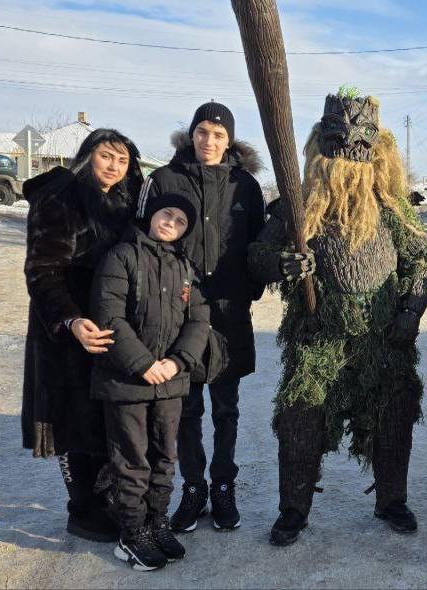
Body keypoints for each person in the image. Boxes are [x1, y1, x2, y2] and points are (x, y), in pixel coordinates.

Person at [248, 88, 427, 546]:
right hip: (318, 338)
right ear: (322, 143)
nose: (351, 153)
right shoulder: (299, 208)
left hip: (384, 339)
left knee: (394, 415)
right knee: (300, 418)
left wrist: (410, 314)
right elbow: (257, 252)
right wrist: (281, 264)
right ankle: (293, 509)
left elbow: (423, 260)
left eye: (362, 142)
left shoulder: (393, 208)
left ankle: (392, 499)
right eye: (340, 140)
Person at [138, 101, 265, 533]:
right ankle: (193, 489)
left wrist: (250, 288)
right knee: (186, 411)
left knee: (226, 409)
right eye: (203, 132)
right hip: (175, 316)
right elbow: (143, 237)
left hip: (229, 315)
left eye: (219, 134)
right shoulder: (163, 179)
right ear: (191, 134)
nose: (209, 141)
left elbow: (257, 247)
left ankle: (223, 487)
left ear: (230, 141)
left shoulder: (245, 185)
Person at [22, 129, 144, 542]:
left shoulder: (126, 203)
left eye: (122, 160)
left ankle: (107, 500)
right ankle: (83, 510)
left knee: (106, 417)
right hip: (68, 328)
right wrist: (70, 321)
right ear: (87, 155)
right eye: (106, 156)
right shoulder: (61, 197)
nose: (113, 165)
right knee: (72, 420)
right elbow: (42, 271)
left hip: (109, 324)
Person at [89, 194, 210, 571]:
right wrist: (142, 363)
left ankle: (157, 521)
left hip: (170, 383)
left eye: (180, 221)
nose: (171, 223)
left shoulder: (184, 267)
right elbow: (109, 316)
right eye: (166, 215)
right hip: (127, 382)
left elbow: (198, 320)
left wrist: (176, 362)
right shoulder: (122, 256)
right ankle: (131, 532)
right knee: (131, 460)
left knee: (165, 457)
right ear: (151, 214)